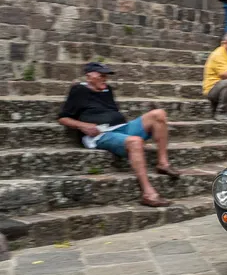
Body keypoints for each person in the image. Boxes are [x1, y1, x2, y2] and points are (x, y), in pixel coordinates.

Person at [58, 63, 179, 207]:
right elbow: (63, 118)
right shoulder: (78, 90)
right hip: (100, 134)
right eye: (101, 75)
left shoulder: (107, 90)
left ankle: (163, 164)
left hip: (122, 128)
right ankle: (148, 194)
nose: (105, 78)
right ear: (89, 76)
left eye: (106, 76)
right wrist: (82, 125)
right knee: (135, 141)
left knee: (159, 114)